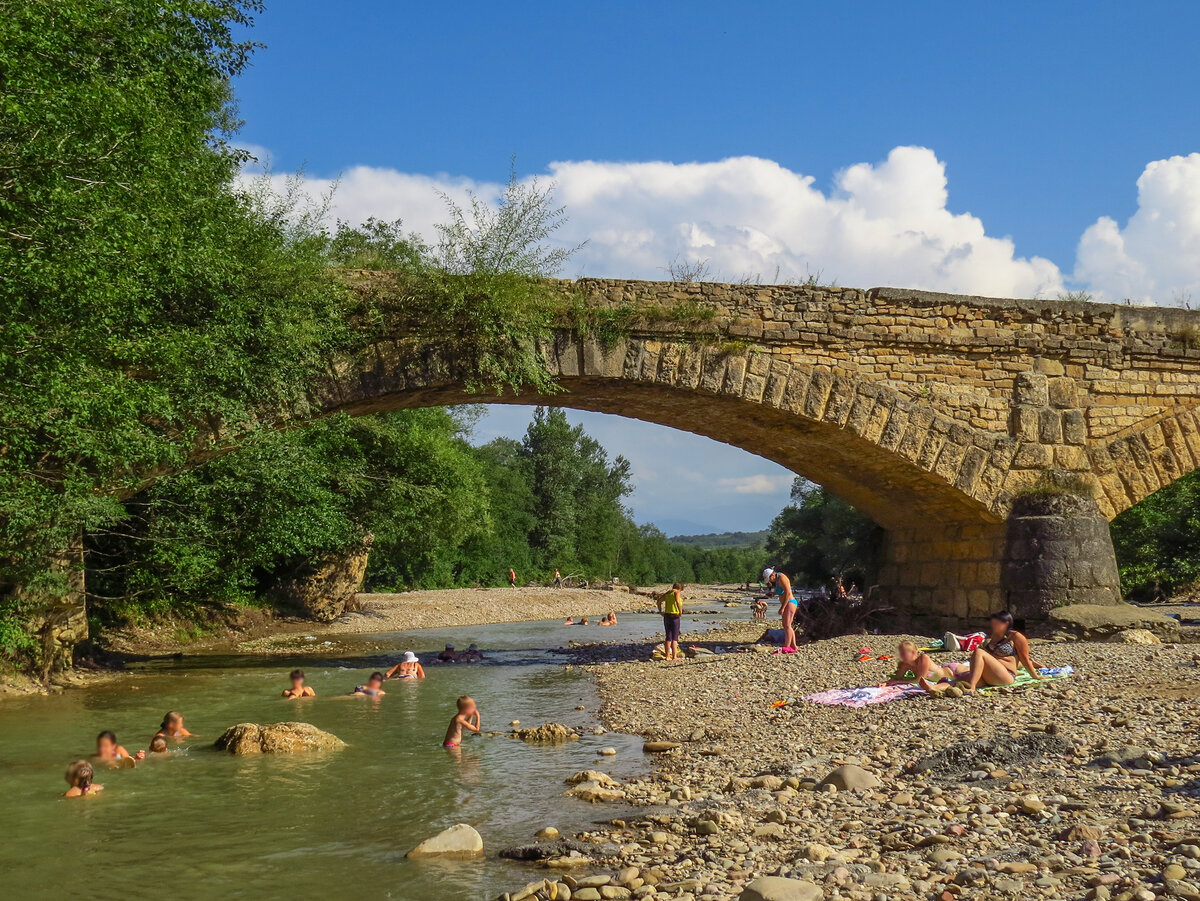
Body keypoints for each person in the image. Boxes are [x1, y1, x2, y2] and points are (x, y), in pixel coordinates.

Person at [956, 611, 1042, 694]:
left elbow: (1024, 659)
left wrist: (1035, 676)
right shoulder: (993, 638)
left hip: (1007, 675)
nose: (993, 626)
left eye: (996, 624)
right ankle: (945, 690)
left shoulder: (1015, 636)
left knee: (979, 652)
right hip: (992, 674)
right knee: (959, 680)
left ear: (1006, 624)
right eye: (993, 624)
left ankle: (972, 687)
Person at [882, 640, 954, 688]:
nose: (901, 656)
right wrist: (886, 683)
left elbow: (919, 680)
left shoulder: (923, 659)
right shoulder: (905, 664)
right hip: (942, 679)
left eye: (903, 654)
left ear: (913, 652)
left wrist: (897, 682)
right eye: (900, 654)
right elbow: (896, 678)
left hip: (952, 672)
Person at [767, 570, 799, 652]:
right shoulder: (777, 580)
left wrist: (782, 608)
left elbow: (788, 593)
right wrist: (772, 594)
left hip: (790, 602)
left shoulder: (781, 577)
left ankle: (787, 646)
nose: (770, 581)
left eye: (770, 579)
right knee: (787, 625)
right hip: (787, 603)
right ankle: (794, 646)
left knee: (787, 625)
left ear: (773, 574)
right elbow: (781, 592)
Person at [657, 582, 684, 661]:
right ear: (680, 588)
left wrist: (660, 611)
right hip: (675, 616)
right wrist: (680, 611)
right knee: (675, 637)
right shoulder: (677, 592)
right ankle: (674, 656)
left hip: (667, 615)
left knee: (668, 637)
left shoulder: (668, 593)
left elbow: (659, 601)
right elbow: (678, 601)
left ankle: (667, 656)